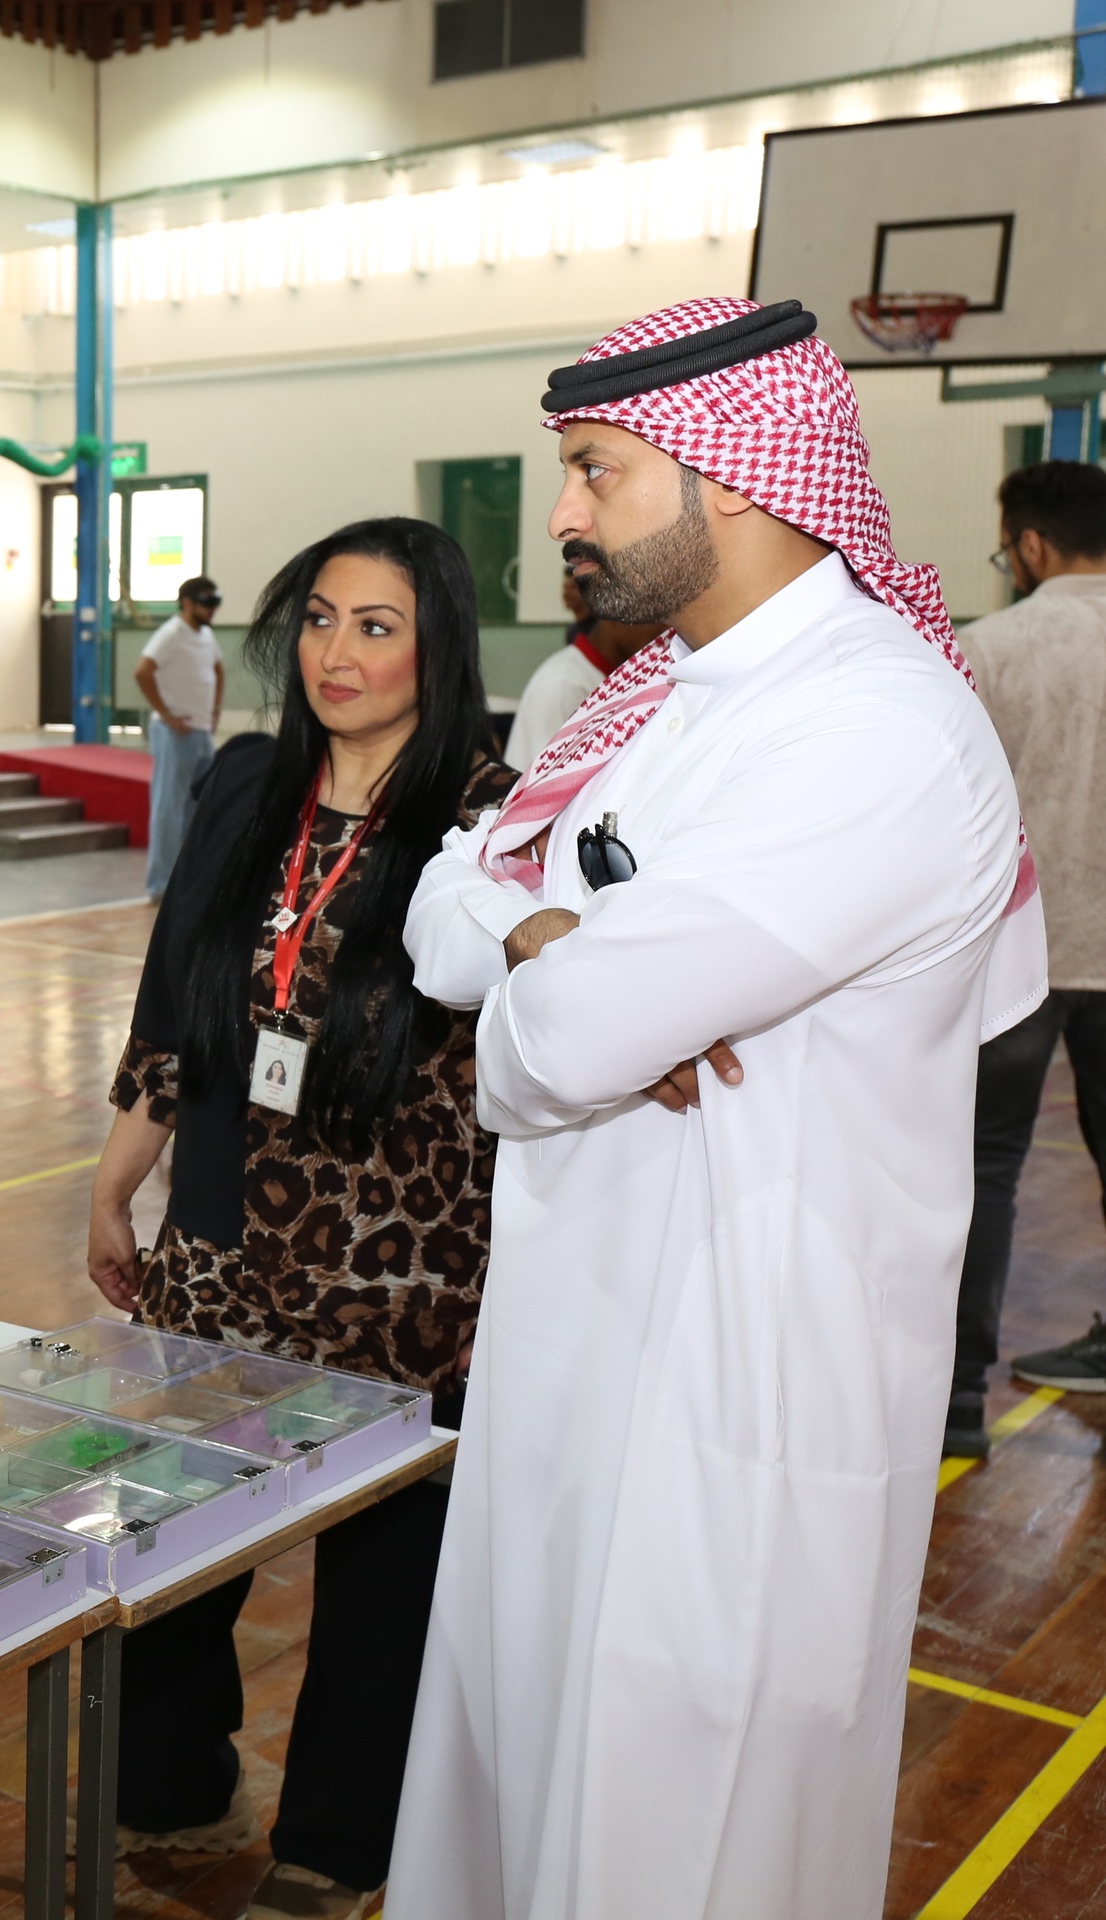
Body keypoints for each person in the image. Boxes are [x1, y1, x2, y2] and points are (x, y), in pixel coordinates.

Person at [395, 297, 1043, 1918]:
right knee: (531, 1797)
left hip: (736, 1385)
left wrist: (558, 970)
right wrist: (552, 942)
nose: (563, 514)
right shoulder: (674, 701)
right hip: (571, 1353)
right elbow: (443, 906)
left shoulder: (874, 726)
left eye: (596, 470)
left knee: (682, 1841)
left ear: (736, 475)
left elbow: (560, 1039)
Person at [87, 520, 509, 1920]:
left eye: (377, 626)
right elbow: (178, 1002)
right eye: (320, 619)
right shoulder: (248, 786)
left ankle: (338, 1844)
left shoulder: (495, 819)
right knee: (174, 1547)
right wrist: (116, 1180)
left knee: (382, 1587)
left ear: (439, 648)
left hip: (407, 1276)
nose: (337, 652)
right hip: (218, 1249)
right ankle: (172, 1784)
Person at [948, 459, 1106, 1450]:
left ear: (1032, 546)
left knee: (984, 1171)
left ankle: (957, 1400)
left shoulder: (989, 649)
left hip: (1020, 957)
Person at [137, 574, 226, 902]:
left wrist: (214, 710)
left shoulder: (205, 635)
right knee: (168, 809)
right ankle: (160, 885)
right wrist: (166, 714)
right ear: (187, 603)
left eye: (215, 602)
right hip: (175, 733)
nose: (212, 609)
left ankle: (187, 880)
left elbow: (218, 669)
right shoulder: (171, 633)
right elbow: (142, 671)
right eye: (206, 602)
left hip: (201, 732)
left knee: (196, 809)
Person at [501, 605, 664, 769]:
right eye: (654, 618)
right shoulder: (564, 685)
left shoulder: (627, 678)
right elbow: (553, 778)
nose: (664, 630)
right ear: (612, 616)